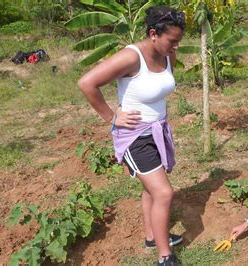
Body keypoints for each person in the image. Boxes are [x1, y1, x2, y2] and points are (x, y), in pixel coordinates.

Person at [77, 6, 185, 266]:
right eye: (172, 41)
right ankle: (164, 256)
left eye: (179, 41)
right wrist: (112, 117)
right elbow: (86, 83)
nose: (176, 47)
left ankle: (152, 237)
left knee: (152, 189)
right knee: (164, 193)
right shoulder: (131, 57)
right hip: (135, 136)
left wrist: (170, 49)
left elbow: (158, 87)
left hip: (157, 130)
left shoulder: (166, 53)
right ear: (153, 34)